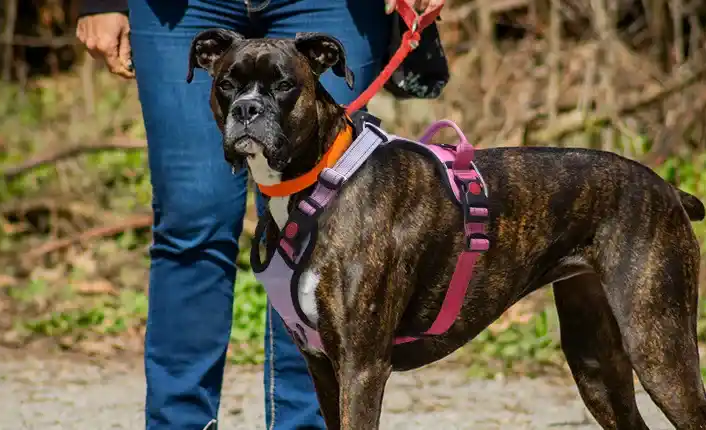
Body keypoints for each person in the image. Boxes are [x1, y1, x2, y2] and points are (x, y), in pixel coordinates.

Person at [75, 1, 441, 429]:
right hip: (180, 9)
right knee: (191, 222)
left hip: (331, 5)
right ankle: (179, 423)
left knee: (324, 238)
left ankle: (304, 424)